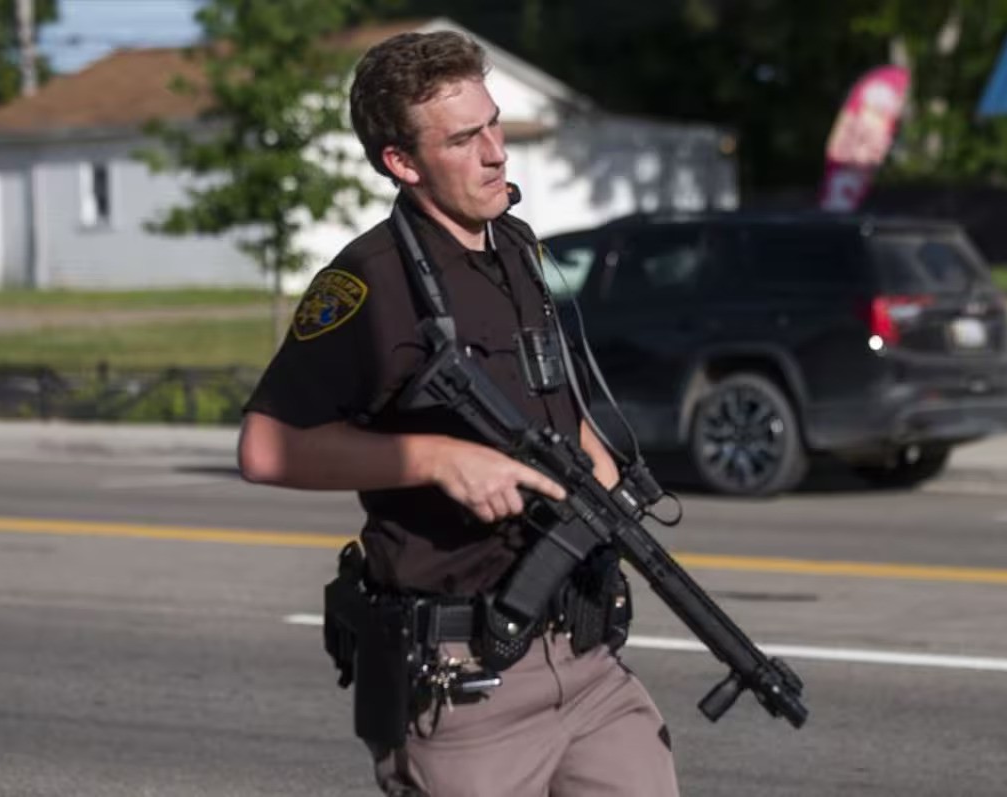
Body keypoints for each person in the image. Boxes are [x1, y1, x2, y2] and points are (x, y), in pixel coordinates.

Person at [237, 30, 679, 797]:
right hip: (466, 689)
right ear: (401, 164)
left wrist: (598, 473)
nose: (496, 153)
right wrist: (438, 460)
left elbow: (548, 401)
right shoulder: (367, 284)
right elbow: (266, 447)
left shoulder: (515, 246)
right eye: (464, 138)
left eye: (495, 124)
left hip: (584, 660)